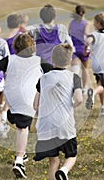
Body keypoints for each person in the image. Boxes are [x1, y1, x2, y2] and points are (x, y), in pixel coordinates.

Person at [0, 34, 53, 178]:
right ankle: (19, 161)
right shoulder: (38, 61)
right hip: (27, 98)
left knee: (19, 124)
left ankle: (22, 153)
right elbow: (53, 71)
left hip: (11, 99)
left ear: (15, 47)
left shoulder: (10, 59)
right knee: (23, 129)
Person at [33, 43, 82, 180]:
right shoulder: (74, 78)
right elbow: (79, 99)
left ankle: (58, 173)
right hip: (64, 126)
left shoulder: (43, 79)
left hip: (45, 127)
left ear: (52, 60)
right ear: (70, 60)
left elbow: (35, 105)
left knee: (53, 161)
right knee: (71, 155)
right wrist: (71, 104)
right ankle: (64, 171)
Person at [68, 5, 91, 93]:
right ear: (84, 13)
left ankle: (75, 86)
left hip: (74, 48)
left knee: (75, 68)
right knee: (85, 68)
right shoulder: (86, 23)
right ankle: (84, 88)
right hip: (83, 47)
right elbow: (86, 33)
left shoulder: (72, 22)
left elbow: (68, 33)